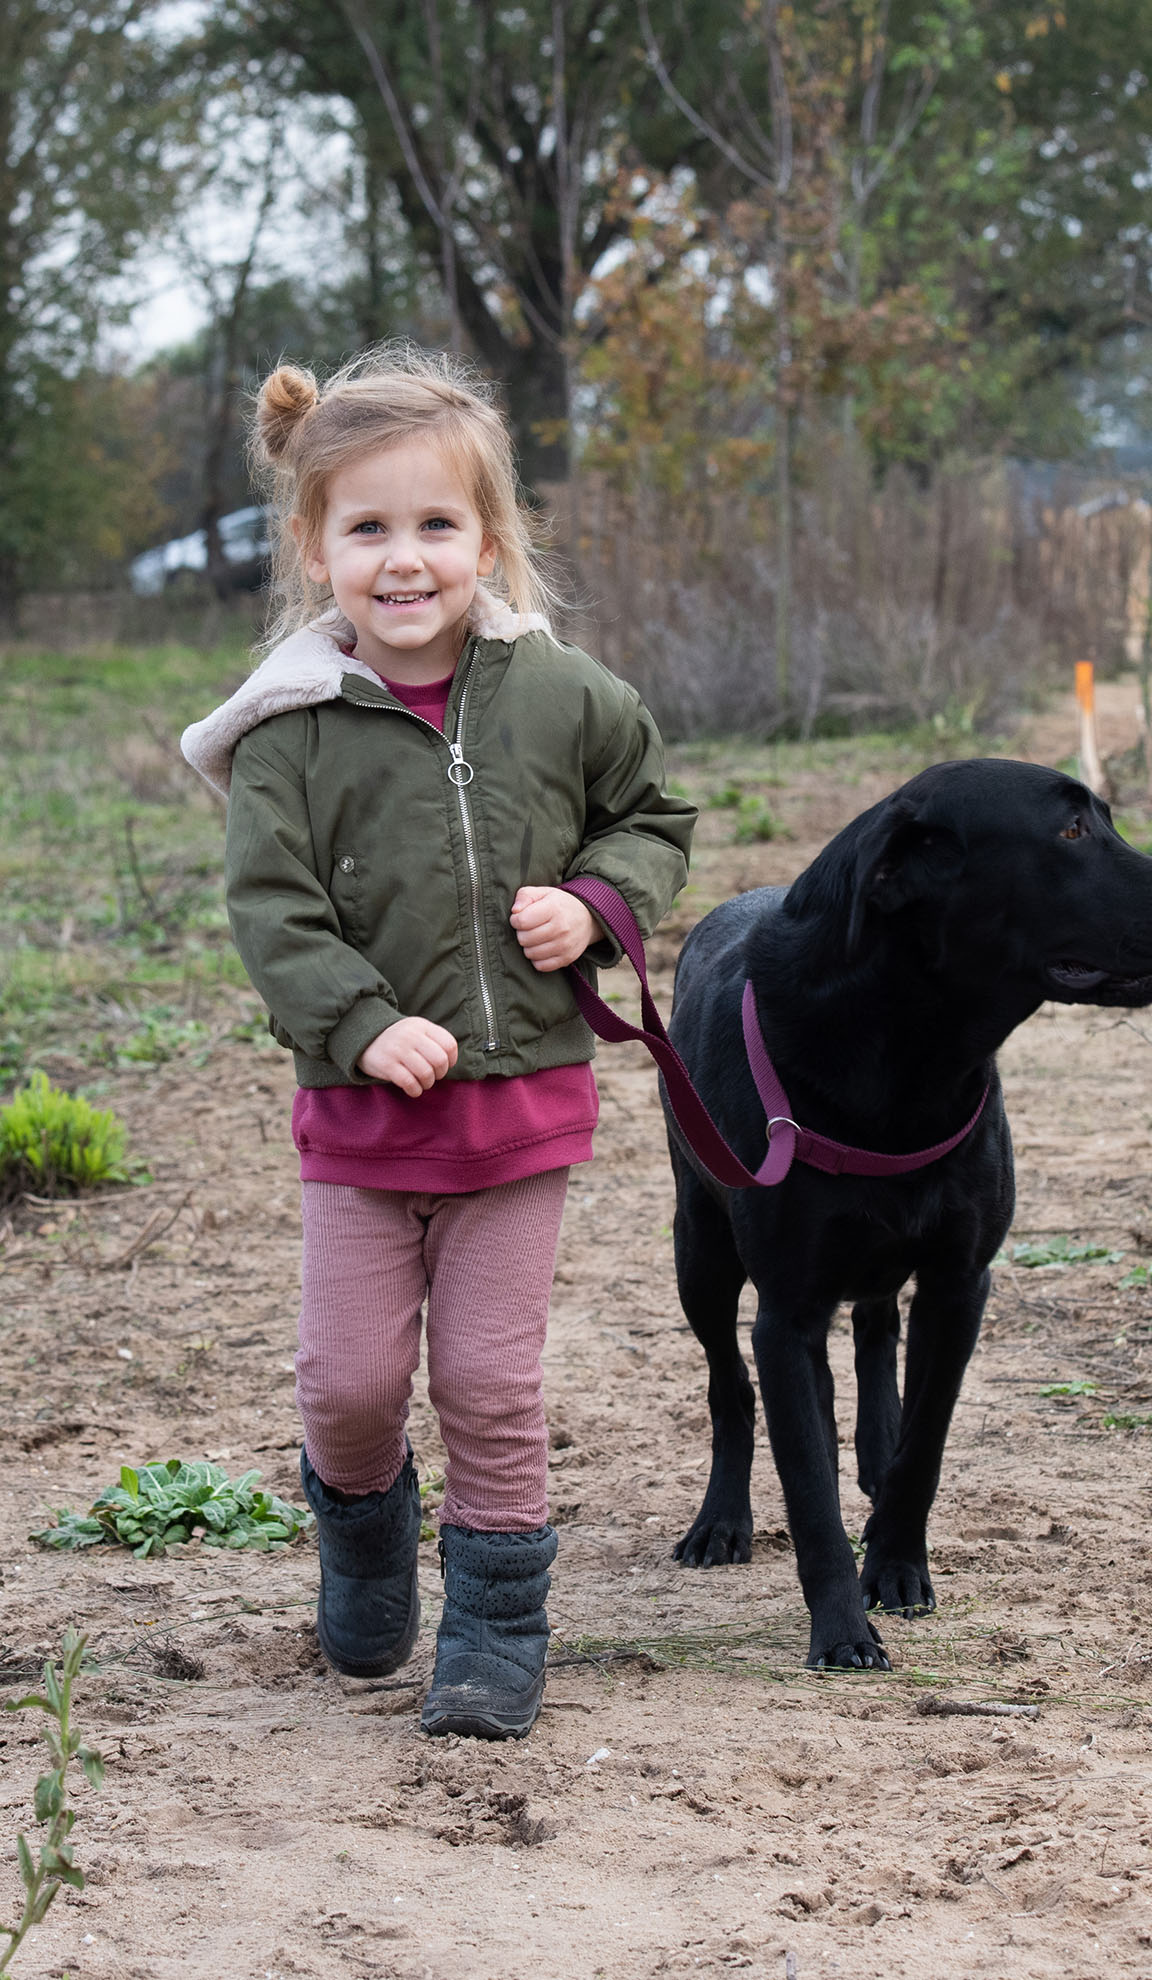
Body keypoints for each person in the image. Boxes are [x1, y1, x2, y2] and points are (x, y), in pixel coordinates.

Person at [180, 347, 696, 1740]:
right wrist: (359, 1023)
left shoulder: (562, 694)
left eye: (434, 527)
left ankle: (494, 1627)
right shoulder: (286, 736)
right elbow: (272, 911)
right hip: (363, 1124)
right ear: (313, 546)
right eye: (367, 529)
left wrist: (594, 906)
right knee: (349, 1385)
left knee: (486, 1381)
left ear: (487, 540)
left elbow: (651, 817)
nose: (403, 561)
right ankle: (360, 1541)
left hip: (517, 1107)